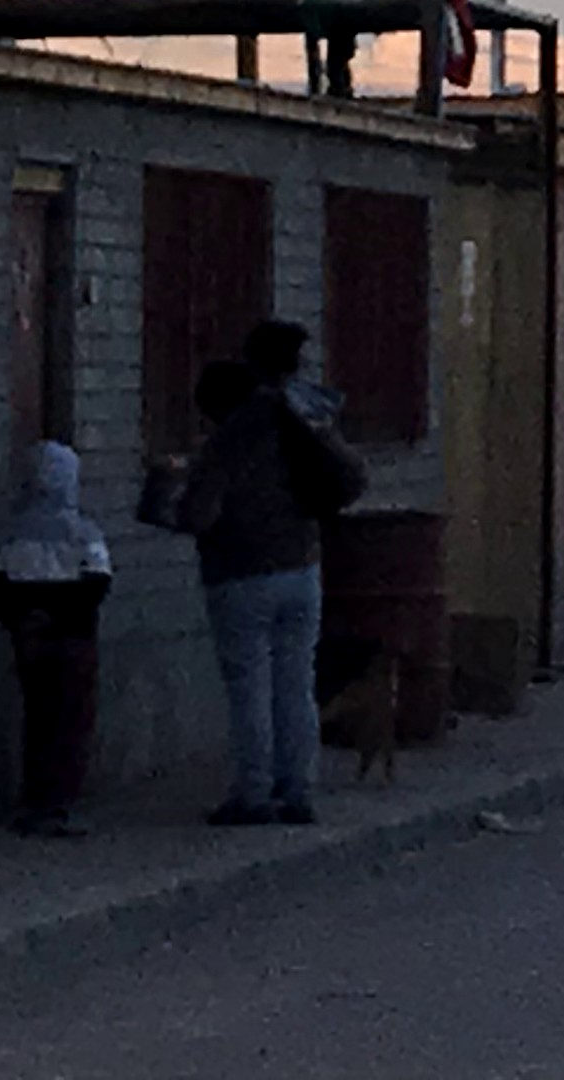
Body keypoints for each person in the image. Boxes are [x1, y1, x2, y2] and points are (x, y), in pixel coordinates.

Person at [178, 325, 369, 825]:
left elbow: (199, 512)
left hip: (241, 573)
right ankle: (299, 789)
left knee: (250, 687)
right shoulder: (309, 413)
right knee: (295, 682)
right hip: (303, 566)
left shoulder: (236, 432)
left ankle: (253, 793)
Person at [0, 441, 112, 835]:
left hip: (28, 638)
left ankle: (34, 800)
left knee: (37, 718)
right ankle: (60, 804)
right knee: (71, 722)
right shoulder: (82, 531)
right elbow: (97, 583)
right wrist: (61, 615)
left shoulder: (9, 531)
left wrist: (27, 618)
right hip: (73, 637)